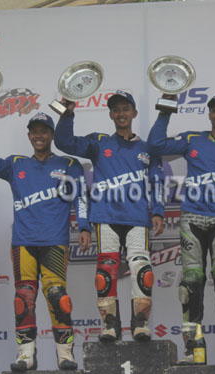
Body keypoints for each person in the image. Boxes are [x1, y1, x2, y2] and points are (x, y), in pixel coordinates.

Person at [0, 111, 91, 371]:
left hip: (55, 242)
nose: (39, 135)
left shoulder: (69, 164)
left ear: (52, 135)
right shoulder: (16, 164)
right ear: (29, 135)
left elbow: (81, 197)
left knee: (58, 297)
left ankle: (65, 354)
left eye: (44, 131)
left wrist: (84, 226)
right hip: (23, 243)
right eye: (34, 131)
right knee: (23, 298)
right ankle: (26, 355)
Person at [147, 91, 215, 365]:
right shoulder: (192, 139)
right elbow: (155, 146)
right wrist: (165, 112)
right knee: (190, 284)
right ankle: (193, 349)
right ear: (209, 114)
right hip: (192, 219)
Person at [54, 90, 164, 342]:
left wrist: (158, 211)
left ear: (134, 113)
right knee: (105, 273)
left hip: (137, 219)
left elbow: (157, 182)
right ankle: (110, 325)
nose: (121, 113)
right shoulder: (99, 143)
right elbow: (64, 142)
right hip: (105, 217)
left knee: (142, 270)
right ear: (111, 115)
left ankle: (140, 324)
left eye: (126, 109)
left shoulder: (148, 149)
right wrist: (67, 116)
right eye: (116, 110)